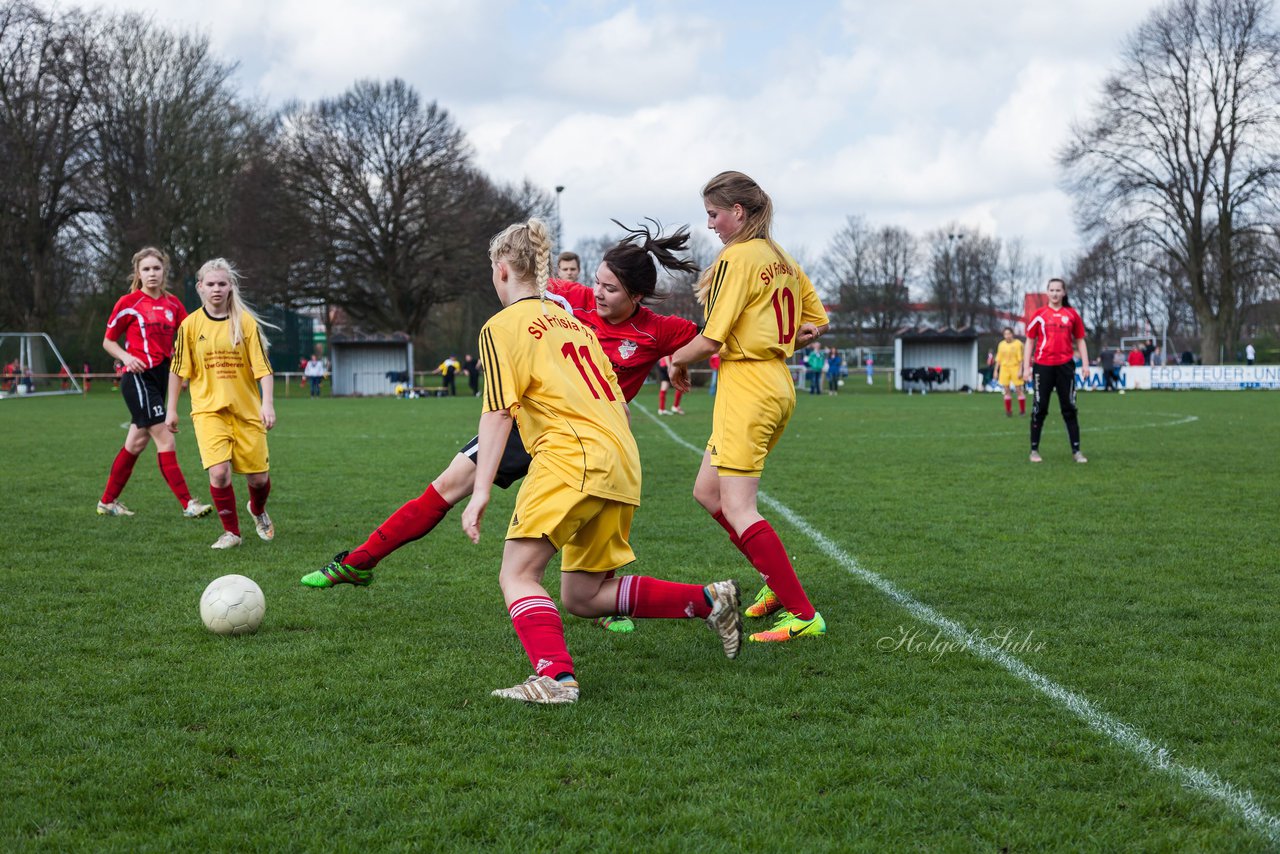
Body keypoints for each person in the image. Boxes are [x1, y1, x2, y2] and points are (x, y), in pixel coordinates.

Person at [301, 219, 707, 635]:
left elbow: (714, 338)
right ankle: (359, 562)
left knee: (588, 508)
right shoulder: (571, 299)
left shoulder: (657, 330)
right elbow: (524, 290)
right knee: (446, 488)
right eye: (597, 282)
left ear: (636, 296)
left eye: (611, 289)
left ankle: (605, 599)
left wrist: (679, 359)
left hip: (590, 435)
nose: (598, 293)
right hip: (530, 422)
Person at [455, 218, 741, 703]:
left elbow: (500, 411)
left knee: (518, 573)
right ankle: (710, 601)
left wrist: (480, 491)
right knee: (583, 596)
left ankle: (556, 678)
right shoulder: (572, 321)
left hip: (572, 457)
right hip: (621, 459)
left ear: (502, 271)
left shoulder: (501, 326)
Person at [669, 170, 829, 642]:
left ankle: (803, 614)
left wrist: (675, 359)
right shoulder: (780, 257)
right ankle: (778, 586)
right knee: (708, 493)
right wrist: (779, 338)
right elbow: (815, 322)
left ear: (738, 212)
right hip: (773, 382)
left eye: (714, 215)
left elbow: (712, 338)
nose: (712, 225)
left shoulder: (737, 259)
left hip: (749, 387)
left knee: (740, 507)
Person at [166, 258, 276, 549]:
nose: (216, 289)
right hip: (208, 410)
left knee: (258, 479)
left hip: (247, 410)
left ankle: (257, 509)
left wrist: (268, 404)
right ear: (200, 287)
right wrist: (172, 409)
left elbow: (263, 368)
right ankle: (232, 533)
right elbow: (178, 370)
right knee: (219, 472)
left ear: (230, 287)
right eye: (211, 284)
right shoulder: (190, 326)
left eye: (222, 284)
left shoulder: (245, 322)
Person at [96, 247, 211, 520]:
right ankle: (188, 503)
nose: (151, 273)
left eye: (156, 268)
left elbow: (188, 340)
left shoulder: (174, 305)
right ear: (138, 273)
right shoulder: (128, 303)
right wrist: (125, 357)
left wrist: (186, 372)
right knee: (165, 437)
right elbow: (108, 341)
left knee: (135, 443)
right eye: (146, 269)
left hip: (162, 377)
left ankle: (107, 502)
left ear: (164, 272)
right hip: (138, 378)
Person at [1022, 277, 1090, 464]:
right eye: (1051, 290)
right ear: (1047, 292)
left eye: (1058, 290)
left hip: (1065, 367)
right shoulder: (1040, 314)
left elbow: (1080, 340)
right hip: (1042, 366)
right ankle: (1034, 450)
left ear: (1064, 292)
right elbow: (1029, 340)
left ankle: (1076, 451)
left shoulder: (1072, 315)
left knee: (1069, 408)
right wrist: (1026, 367)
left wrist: (1085, 364)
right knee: (1039, 408)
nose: (1055, 294)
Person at [994, 327, 1026, 416]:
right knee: (1006, 389)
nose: (1007, 336)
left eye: (1009, 334)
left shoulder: (1018, 344)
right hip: (1004, 369)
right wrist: (996, 370)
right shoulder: (1001, 344)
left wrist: (1020, 370)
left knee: (1018, 389)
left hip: (1015, 368)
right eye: (1005, 334)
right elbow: (998, 359)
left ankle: (1022, 411)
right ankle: (1008, 411)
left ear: (1012, 334)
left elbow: (1021, 359)